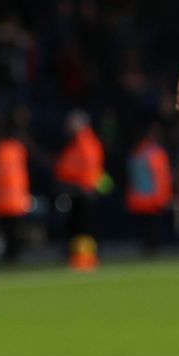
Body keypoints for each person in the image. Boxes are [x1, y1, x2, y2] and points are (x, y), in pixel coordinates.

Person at [53, 110, 106, 270]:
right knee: (77, 227)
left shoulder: (86, 143)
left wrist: (84, 186)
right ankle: (78, 257)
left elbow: (89, 169)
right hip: (76, 192)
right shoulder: (78, 143)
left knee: (84, 228)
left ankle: (86, 259)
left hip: (83, 192)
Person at [0, 126, 32, 262]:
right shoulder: (18, 149)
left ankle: (10, 253)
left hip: (1, 199)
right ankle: (14, 252)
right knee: (14, 229)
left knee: (7, 230)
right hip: (17, 197)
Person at [124, 126, 173, 253]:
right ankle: (151, 248)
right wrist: (164, 197)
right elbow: (161, 177)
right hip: (153, 198)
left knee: (146, 228)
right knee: (152, 227)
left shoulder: (136, 153)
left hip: (139, 198)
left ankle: (148, 248)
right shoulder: (155, 154)